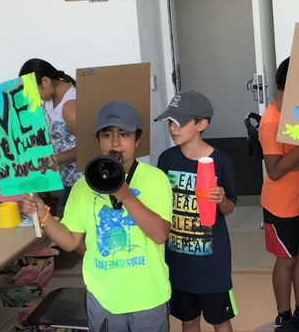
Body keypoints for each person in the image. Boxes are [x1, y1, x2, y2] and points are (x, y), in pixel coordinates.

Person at [22, 100, 173, 331]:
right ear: (98, 140)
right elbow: (70, 241)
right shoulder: (83, 187)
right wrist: (44, 215)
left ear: (137, 140)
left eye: (124, 134)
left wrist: (125, 195)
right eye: (106, 135)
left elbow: (160, 234)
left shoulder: (155, 179)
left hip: (148, 297)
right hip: (103, 299)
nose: (115, 143)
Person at [155, 91, 238, 332]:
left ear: (201, 124)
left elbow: (230, 207)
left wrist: (221, 200)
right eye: (170, 122)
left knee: (220, 320)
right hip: (177, 259)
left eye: (179, 122)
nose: (172, 128)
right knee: (188, 320)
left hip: (213, 262)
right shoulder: (166, 159)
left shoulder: (221, 161)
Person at [259, 57, 299, 331]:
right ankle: (283, 314)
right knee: (287, 260)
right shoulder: (271, 121)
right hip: (280, 205)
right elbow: (275, 171)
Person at [0, 141, 54, 331]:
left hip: (20, 262)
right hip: (38, 256)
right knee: (31, 315)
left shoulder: (5, 180)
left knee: (19, 320)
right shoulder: (23, 170)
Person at [19, 59, 83, 215]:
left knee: (68, 229)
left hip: (84, 183)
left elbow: (90, 148)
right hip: (69, 181)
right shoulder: (48, 99)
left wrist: (53, 160)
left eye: (33, 91)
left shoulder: (70, 105)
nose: (32, 96)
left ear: (46, 81)